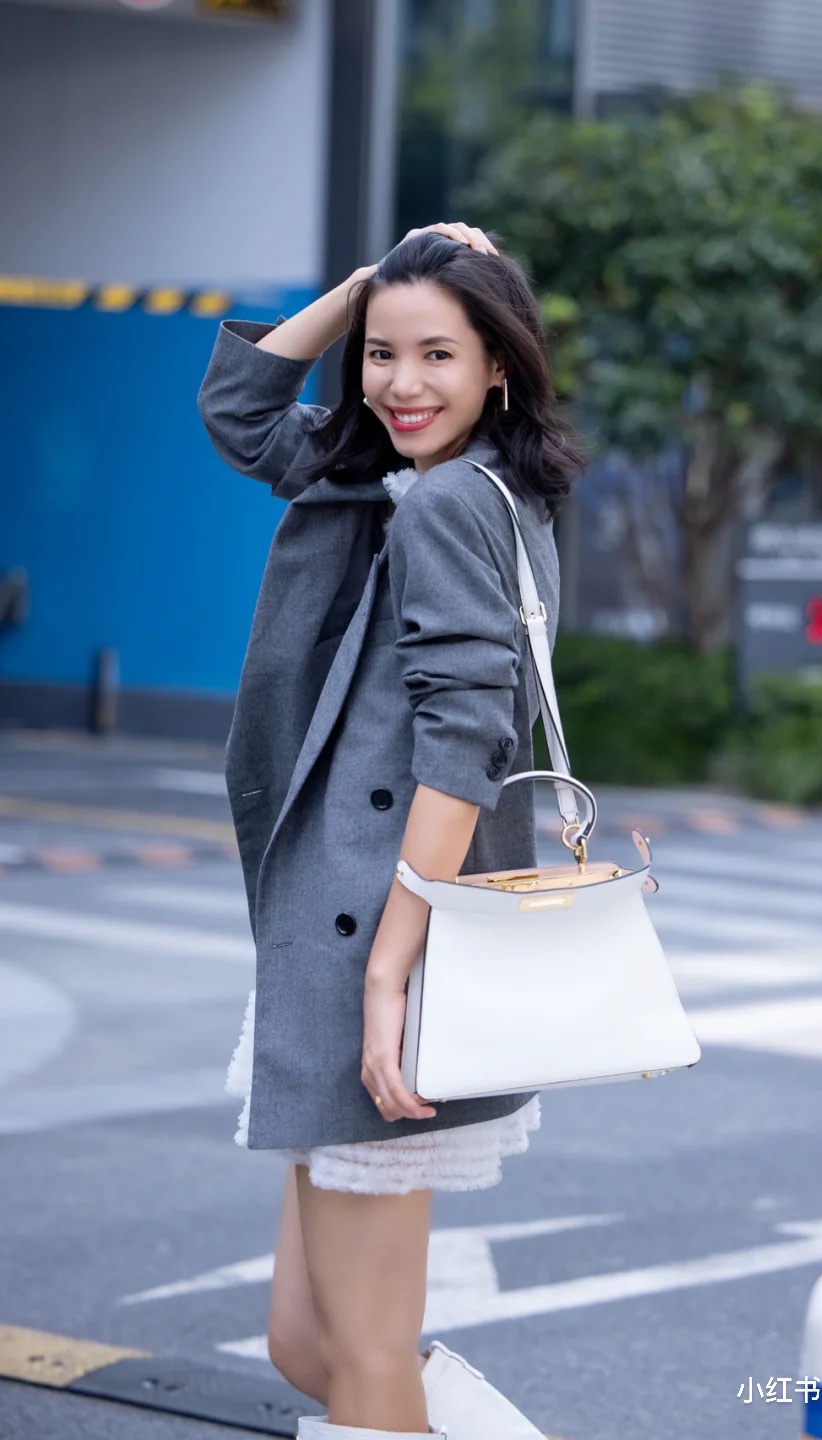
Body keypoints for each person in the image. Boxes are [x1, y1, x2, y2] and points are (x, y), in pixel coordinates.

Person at [197, 222, 586, 1440]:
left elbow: (464, 743)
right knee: (307, 1343)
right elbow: (240, 413)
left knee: (362, 1356)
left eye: (438, 355)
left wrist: (386, 976)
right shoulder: (404, 479)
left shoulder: (449, 506)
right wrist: (380, 280)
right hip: (339, 924)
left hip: (379, 934)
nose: (402, 383)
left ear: (498, 367)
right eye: (381, 353)